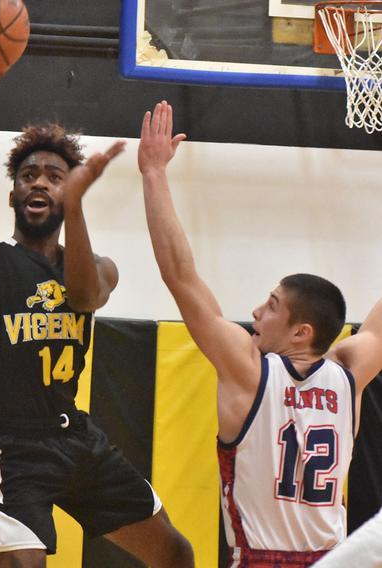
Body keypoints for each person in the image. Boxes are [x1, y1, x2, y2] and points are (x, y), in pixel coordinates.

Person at [0, 63, 194, 568]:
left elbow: (83, 297)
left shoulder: (98, 267)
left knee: (175, 553)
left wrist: (79, 207)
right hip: (16, 449)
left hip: (78, 439)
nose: (39, 182)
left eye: (54, 177)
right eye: (28, 175)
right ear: (13, 194)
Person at [138, 100, 382, 566]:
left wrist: (153, 173)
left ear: (300, 333)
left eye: (271, 306)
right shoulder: (351, 372)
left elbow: (179, 274)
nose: (255, 312)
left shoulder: (249, 370)